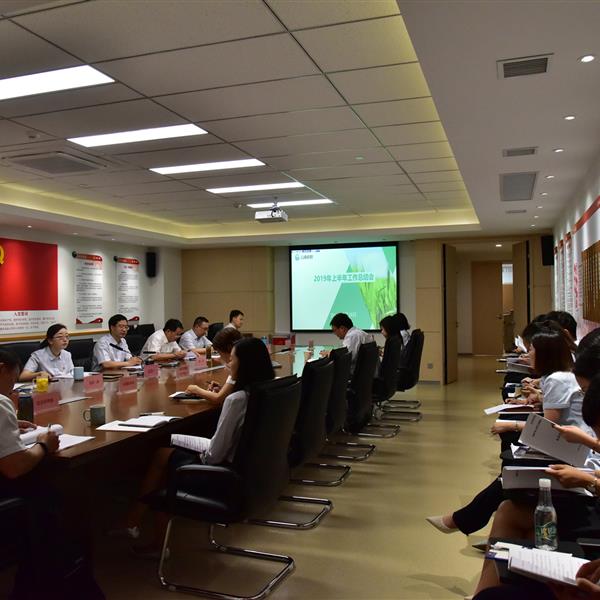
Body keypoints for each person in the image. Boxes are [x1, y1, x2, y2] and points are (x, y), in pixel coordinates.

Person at [427, 321, 588, 536]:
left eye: (532, 349)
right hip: (572, 446)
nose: (528, 353)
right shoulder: (560, 376)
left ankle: (461, 520)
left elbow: (548, 429)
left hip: (572, 451)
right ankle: (462, 521)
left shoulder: (556, 379)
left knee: (511, 472)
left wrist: (511, 425)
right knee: (509, 472)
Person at [115, 337, 275, 552]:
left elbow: (214, 455)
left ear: (245, 364)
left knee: (163, 454)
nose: (228, 364)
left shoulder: (237, 400)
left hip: (226, 475)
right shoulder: (265, 391)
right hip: (254, 472)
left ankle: (150, 537)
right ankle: (134, 522)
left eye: (232, 359)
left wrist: (184, 442)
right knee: (166, 451)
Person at [184, 327, 242, 403]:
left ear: (229, 349)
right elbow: (236, 389)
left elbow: (218, 398)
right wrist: (222, 389)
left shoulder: (236, 367)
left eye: (220, 353)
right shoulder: (244, 361)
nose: (220, 357)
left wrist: (196, 390)